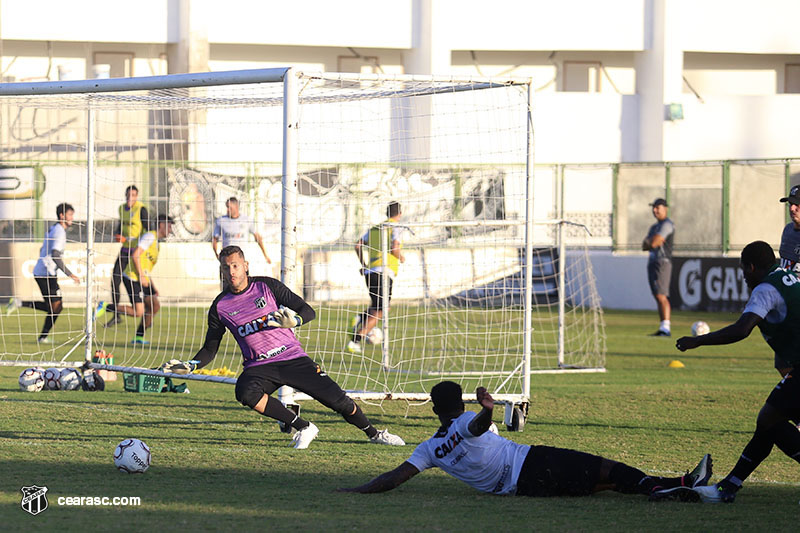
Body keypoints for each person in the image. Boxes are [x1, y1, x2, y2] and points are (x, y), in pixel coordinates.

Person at [173, 244, 405, 450]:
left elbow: (308, 310)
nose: (231, 271)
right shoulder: (220, 306)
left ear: (245, 266)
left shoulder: (267, 286)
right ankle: (304, 427)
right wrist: (191, 365)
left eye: (235, 265)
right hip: (259, 366)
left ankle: (375, 434)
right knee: (245, 392)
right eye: (226, 267)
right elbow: (210, 348)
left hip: (292, 358)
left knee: (339, 402)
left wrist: (295, 321)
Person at [338, 381, 711, 501]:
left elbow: (393, 478)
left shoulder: (429, 449)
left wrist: (354, 490)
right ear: (462, 402)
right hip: (530, 461)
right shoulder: (468, 420)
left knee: (601, 484)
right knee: (604, 468)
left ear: (434, 408)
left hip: (522, 488)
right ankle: (663, 488)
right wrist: (486, 408)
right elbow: (478, 427)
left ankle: (674, 485)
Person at [673, 240, 800, 503]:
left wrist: (698, 341)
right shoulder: (786, 276)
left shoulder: (765, 289)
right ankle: (729, 486)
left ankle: (728, 487)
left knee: (770, 420)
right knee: (768, 422)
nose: (743, 277)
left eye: (744, 272)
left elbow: (742, 329)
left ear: (752, 268)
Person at [6, 203, 80, 343]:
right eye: (70, 215)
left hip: (44, 272)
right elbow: (55, 254)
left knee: (53, 307)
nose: (72, 218)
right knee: (56, 307)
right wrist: (70, 274)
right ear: (62, 216)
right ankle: (42, 337)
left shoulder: (54, 229)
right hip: (46, 273)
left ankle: (20, 303)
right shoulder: (59, 232)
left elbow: (43, 249)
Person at [95, 214, 173, 345]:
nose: (170, 230)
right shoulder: (149, 237)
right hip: (132, 277)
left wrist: (152, 286)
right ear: (161, 225)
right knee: (138, 312)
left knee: (155, 306)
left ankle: (139, 336)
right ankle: (107, 306)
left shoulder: (157, 244)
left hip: (142, 278)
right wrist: (141, 275)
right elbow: (135, 255)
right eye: (169, 226)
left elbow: (146, 266)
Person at [346, 201, 405, 354]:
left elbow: (358, 245)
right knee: (382, 308)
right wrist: (401, 257)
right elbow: (394, 248)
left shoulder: (374, 228)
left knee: (379, 306)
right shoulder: (396, 227)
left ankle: (360, 317)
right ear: (400, 213)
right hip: (384, 272)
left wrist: (364, 264)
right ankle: (356, 340)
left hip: (370, 272)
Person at [106, 185, 149, 327]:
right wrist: (118, 235)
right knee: (115, 279)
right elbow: (121, 227)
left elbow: (148, 231)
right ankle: (116, 315)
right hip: (125, 250)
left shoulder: (141, 209)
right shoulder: (121, 208)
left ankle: (147, 311)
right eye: (129, 194)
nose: (131, 197)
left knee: (141, 280)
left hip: (136, 252)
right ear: (125, 195)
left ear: (137, 196)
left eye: (134, 195)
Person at [776, 184, 800, 376]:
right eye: (791, 204)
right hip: (789, 309)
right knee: (782, 364)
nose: (792, 208)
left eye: (798, 204)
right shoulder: (787, 231)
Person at [642, 197, 675, 336]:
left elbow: (654, 242)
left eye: (658, 207)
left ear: (665, 209)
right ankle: (662, 327)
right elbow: (644, 245)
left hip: (662, 262)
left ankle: (666, 328)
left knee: (661, 295)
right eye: (653, 207)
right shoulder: (654, 227)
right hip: (653, 262)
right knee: (657, 295)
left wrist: (651, 241)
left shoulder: (667, 224)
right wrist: (651, 241)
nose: (655, 210)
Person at [212, 197, 271, 264]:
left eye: (230, 207)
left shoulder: (246, 220)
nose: (227, 210)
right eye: (227, 207)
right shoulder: (221, 220)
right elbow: (214, 239)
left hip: (242, 260)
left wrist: (265, 255)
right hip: (227, 260)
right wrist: (216, 254)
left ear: (236, 207)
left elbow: (258, 238)